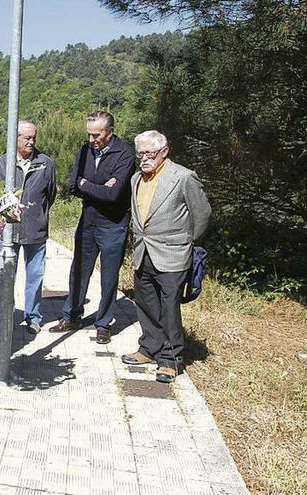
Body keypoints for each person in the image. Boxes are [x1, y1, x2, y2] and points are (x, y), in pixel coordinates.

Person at [121, 131, 211, 383]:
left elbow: (202, 215)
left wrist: (187, 242)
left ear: (164, 152)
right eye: (140, 153)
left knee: (169, 306)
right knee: (145, 302)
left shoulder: (183, 177)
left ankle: (170, 359)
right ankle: (149, 347)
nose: (144, 159)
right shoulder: (136, 179)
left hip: (173, 253)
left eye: (150, 153)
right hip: (143, 252)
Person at [50, 111, 134, 345]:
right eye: (89, 134)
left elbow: (113, 194)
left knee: (108, 276)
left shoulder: (124, 154)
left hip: (113, 225)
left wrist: (87, 184)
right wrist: (93, 187)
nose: (92, 140)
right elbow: (72, 185)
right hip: (87, 221)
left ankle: (104, 323)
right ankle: (71, 316)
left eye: (96, 135)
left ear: (110, 132)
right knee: (79, 270)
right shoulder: (85, 150)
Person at [0, 121, 57, 334]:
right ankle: (5, 317)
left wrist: (39, 216)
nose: (31, 142)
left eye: (33, 138)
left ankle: (33, 317)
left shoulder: (45, 163)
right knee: (6, 275)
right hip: (8, 231)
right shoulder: (1, 164)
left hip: (35, 230)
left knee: (35, 276)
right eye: (26, 138)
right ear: (14, 138)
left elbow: (51, 194)